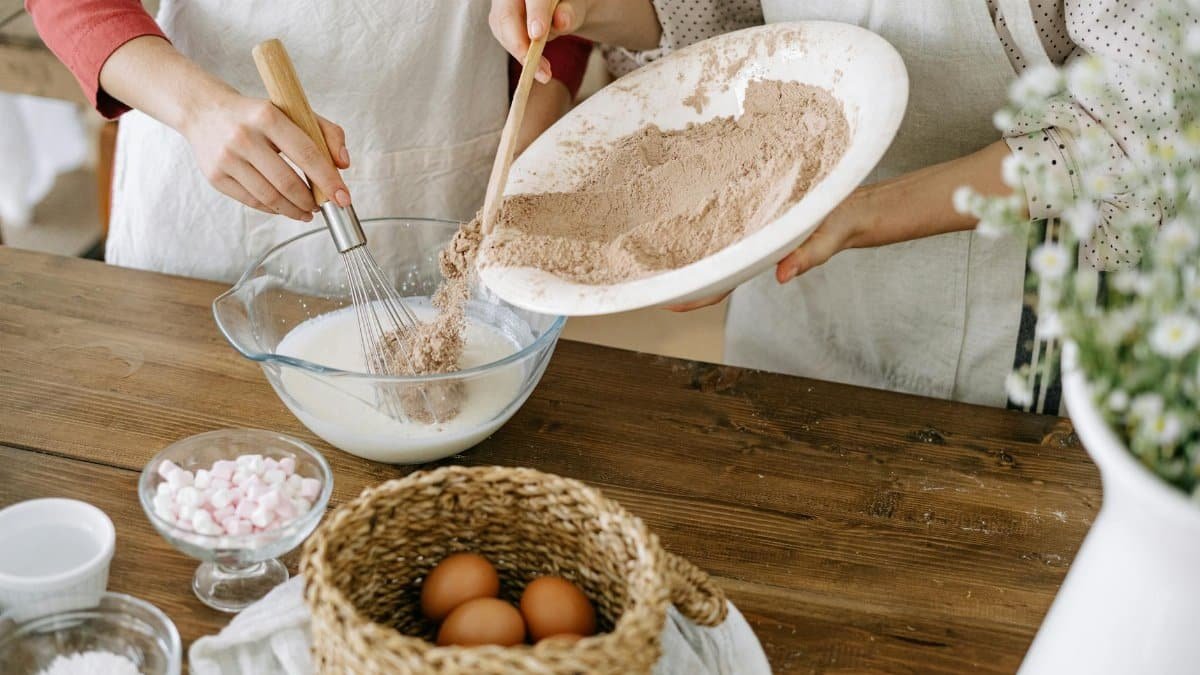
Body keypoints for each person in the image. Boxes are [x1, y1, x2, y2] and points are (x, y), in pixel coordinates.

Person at [490, 0, 1191, 414]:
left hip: (1021, 337)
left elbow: (1142, 118)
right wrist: (591, 7)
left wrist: (867, 212)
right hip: (799, 313)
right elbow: (714, 17)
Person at [27, 0, 591, 282]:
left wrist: (535, 124)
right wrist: (200, 109)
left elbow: (563, 18)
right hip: (202, 160)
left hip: (449, 153)